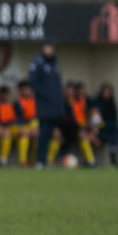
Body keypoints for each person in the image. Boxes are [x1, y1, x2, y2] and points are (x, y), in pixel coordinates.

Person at [28, 40, 65, 169]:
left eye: (51, 47)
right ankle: (40, 161)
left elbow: (58, 86)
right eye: (47, 47)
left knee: (58, 133)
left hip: (57, 108)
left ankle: (54, 159)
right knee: (44, 134)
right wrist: (46, 96)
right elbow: (33, 83)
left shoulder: (56, 63)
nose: (49, 49)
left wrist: (59, 104)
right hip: (45, 108)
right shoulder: (37, 63)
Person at [94, 82, 118, 166]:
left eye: (108, 92)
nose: (106, 94)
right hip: (98, 129)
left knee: (116, 134)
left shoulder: (112, 104)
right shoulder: (97, 103)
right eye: (105, 92)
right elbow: (95, 119)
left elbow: (114, 120)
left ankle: (113, 157)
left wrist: (105, 124)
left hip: (109, 128)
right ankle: (91, 161)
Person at [13, 80, 38, 167]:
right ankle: (23, 161)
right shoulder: (18, 102)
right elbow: (18, 118)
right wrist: (23, 128)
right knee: (24, 136)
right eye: (23, 89)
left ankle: (35, 160)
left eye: (27, 89)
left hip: (35, 124)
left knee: (37, 136)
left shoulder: (37, 100)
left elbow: (39, 116)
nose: (25, 91)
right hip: (23, 125)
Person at [0, 85, 18, 166]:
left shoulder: (13, 104)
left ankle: (24, 161)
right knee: (6, 135)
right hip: (0, 127)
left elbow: (17, 118)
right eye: (3, 94)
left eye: (6, 94)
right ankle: (3, 159)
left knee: (24, 134)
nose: (4, 96)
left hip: (11, 126)